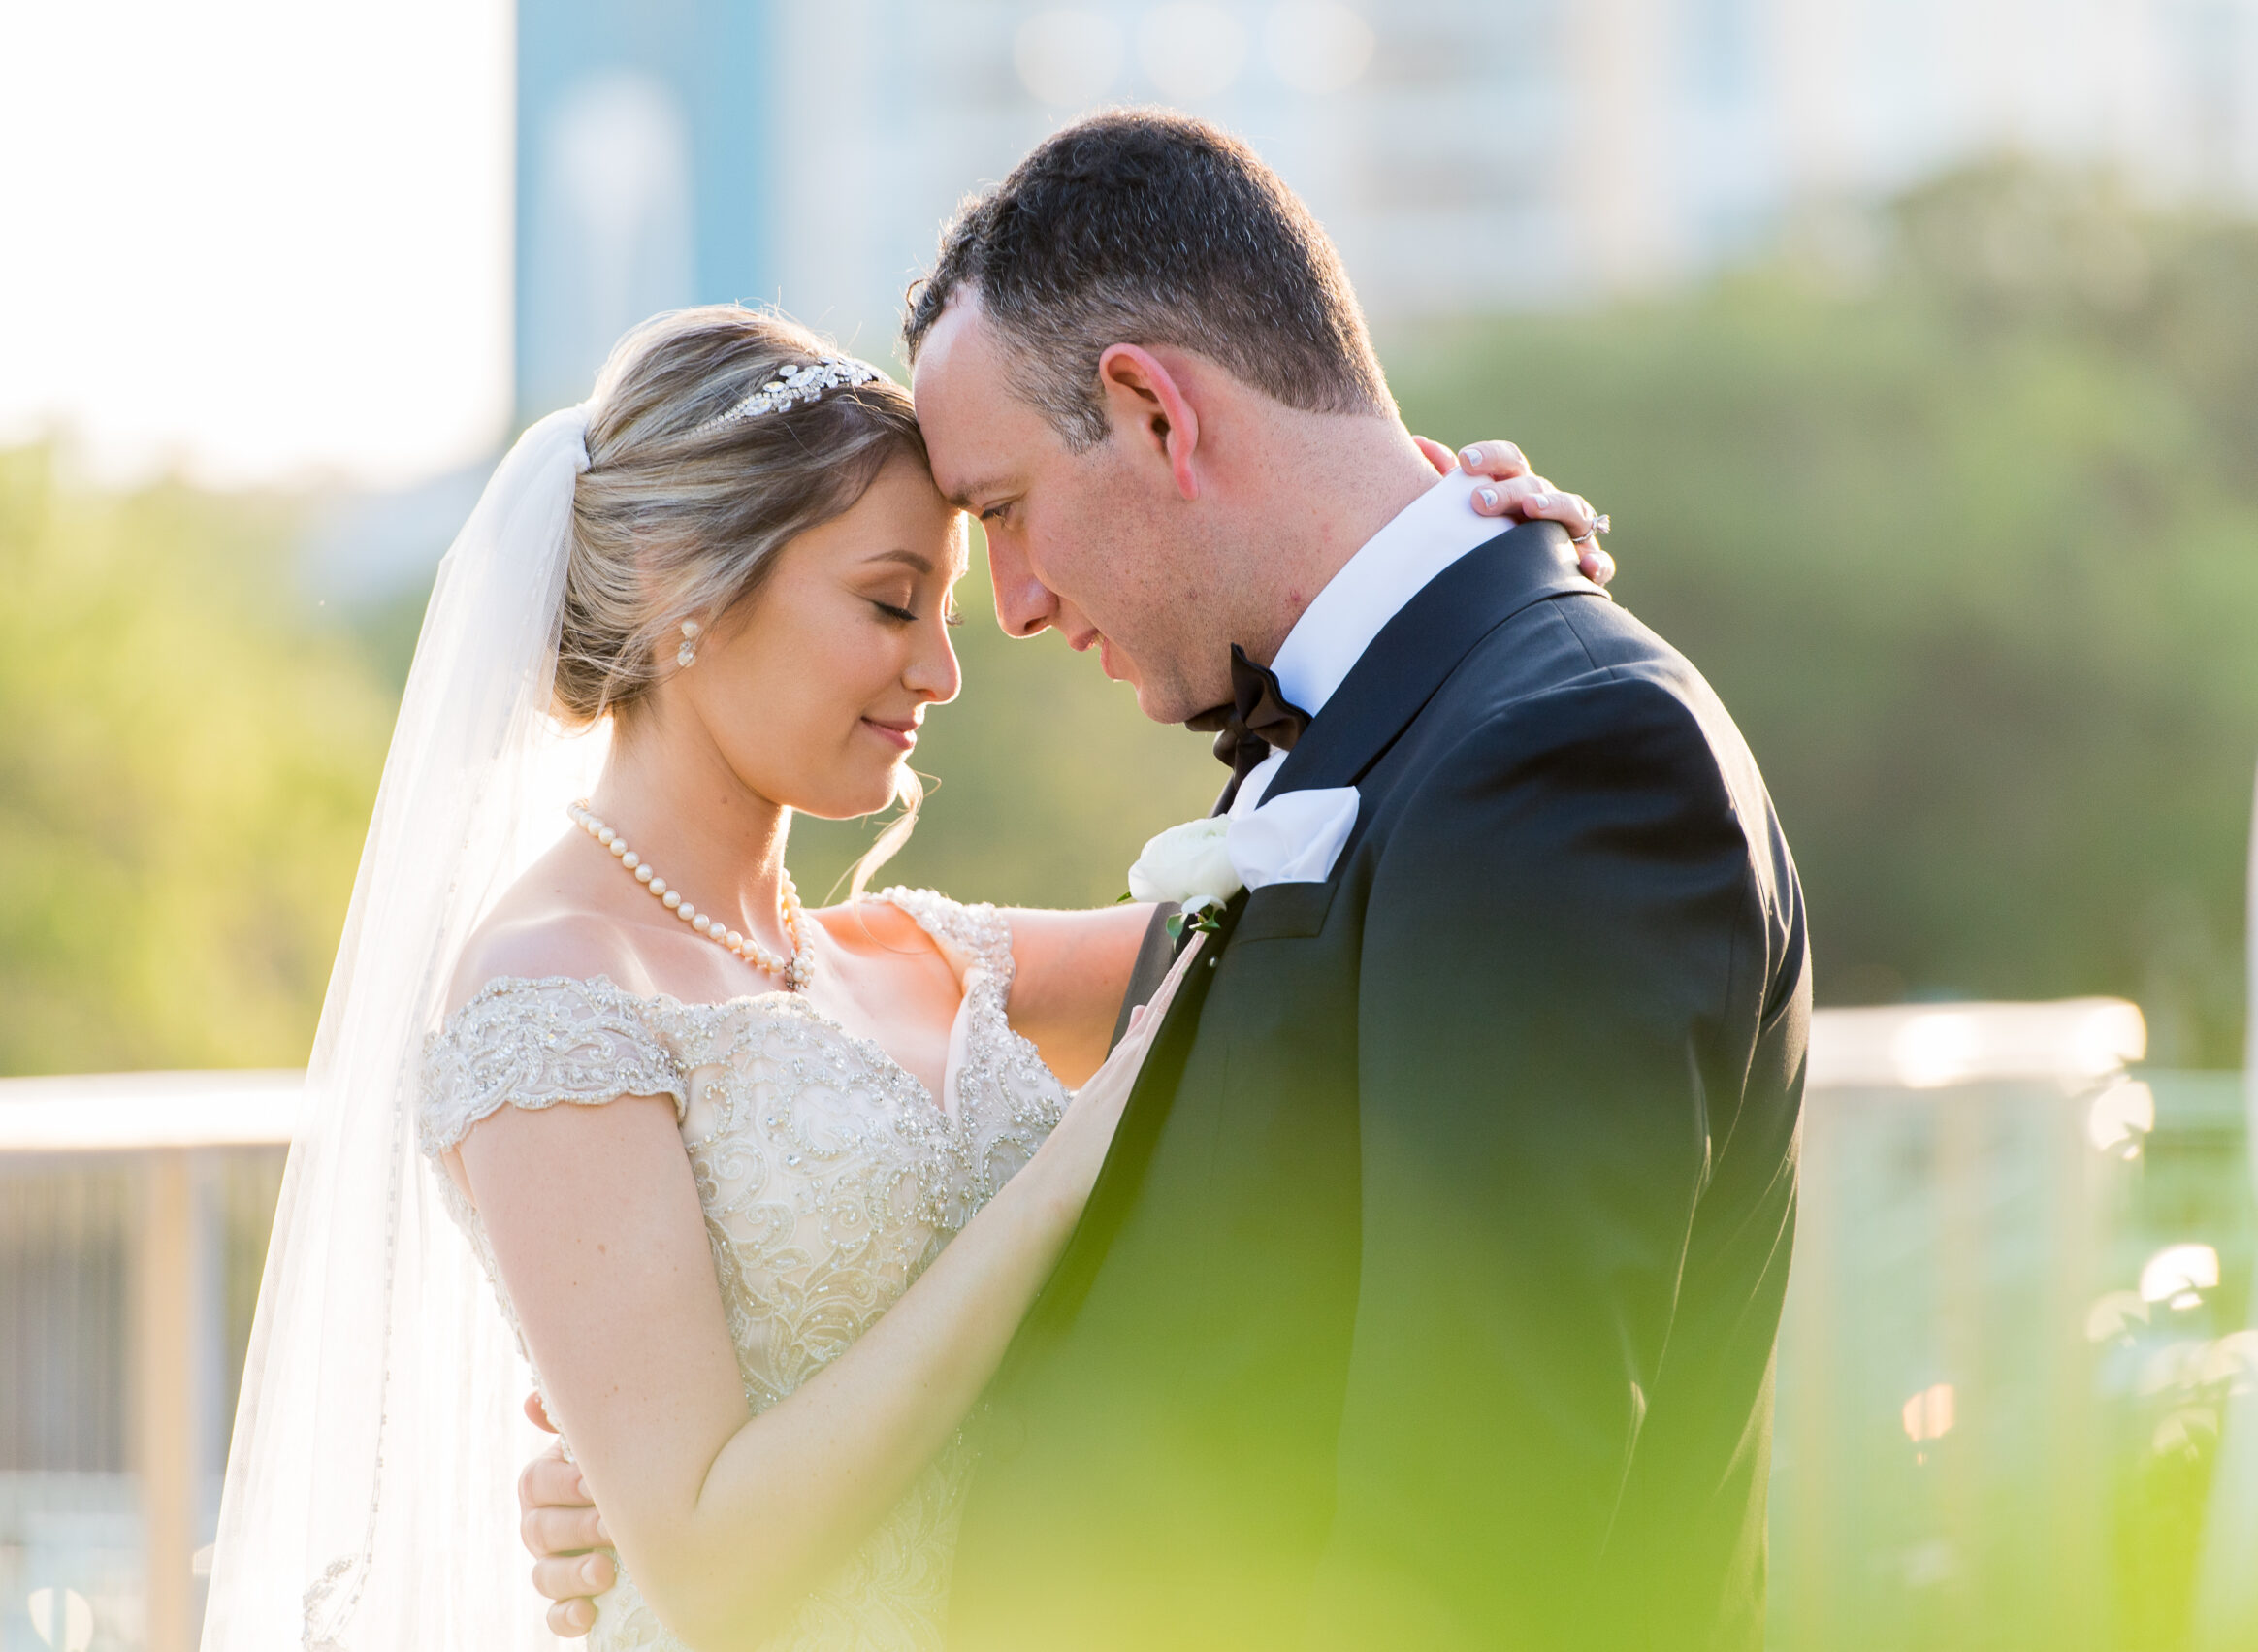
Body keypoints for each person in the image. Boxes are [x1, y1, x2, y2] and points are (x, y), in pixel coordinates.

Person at [521, 113, 1810, 1651]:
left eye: (997, 514)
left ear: (1153, 413)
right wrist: (675, 1422)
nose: (1002, 617)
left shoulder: (1555, 764)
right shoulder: (1383, 741)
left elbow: (1469, 1542)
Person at [197, 285, 1605, 1647]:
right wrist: (1067, 1171)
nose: (941, 669)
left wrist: (1451, 560)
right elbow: (705, 1570)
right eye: (888, 604)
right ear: (686, 592)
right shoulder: (550, 993)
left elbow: (1342, 896)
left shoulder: (923, 954)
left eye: (945, 609)